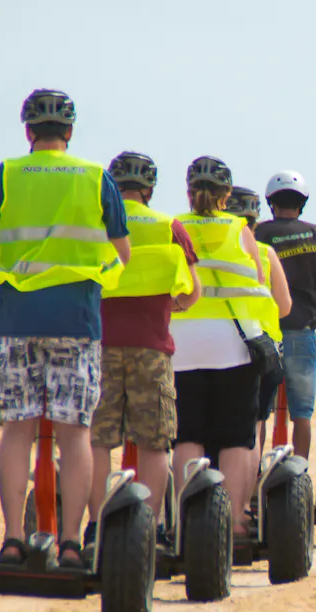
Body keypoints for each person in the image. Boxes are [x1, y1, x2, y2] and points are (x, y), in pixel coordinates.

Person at [0, 88, 130, 569]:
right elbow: (121, 254)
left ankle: (13, 541)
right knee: (75, 432)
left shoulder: (8, 173)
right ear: (71, 133)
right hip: (76, 320)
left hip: (16, 318)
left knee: (17, 427)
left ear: (28, 132)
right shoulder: (95, 177)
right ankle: (72, 544)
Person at [86, 151, 202, 550]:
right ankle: (148, 528)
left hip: (99, 346)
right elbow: (192, 291)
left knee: (98, 440)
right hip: (151, 348)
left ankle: (96, 526)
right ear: (149, 189)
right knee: (154, 442)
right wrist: (175, 306)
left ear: (113, 188)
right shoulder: (167, 225)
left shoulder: (98, 224)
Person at [170, 156, 271, 540]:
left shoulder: (176, 228)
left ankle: (185, 519)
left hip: (184, 345)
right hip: (233, 345)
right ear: (227, 195)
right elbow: (258, 283)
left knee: (188, 434)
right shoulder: (240, 229)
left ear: (189, 192)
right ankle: (236, 520)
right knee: (236, 435)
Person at [254, 170, 316, 460]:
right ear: (302, 203)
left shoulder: (259, 233)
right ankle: (299, 471)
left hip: (264, 334)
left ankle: (252, 477)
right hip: (301, 331)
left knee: (259, 413)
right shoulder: (315, 233)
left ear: (270, 203)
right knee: (302, 414)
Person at [224, 185, 292, 477]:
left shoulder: (204, 251)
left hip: (215, 347)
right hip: (260, 351)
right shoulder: (265, 253)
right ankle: (246, 493)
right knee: (253, 428)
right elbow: (285, 306)